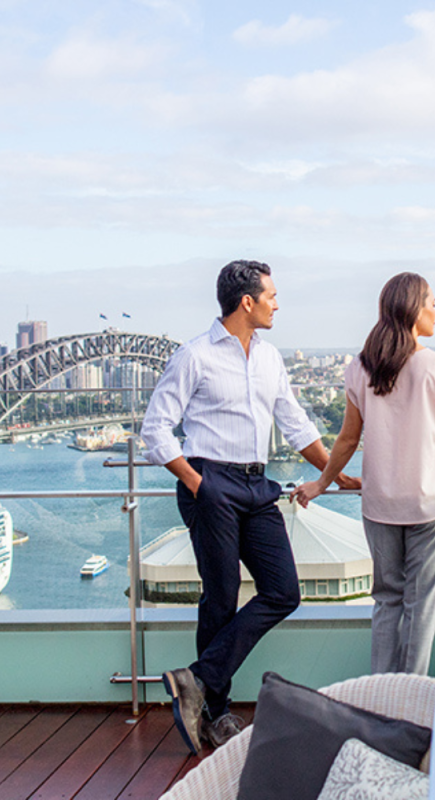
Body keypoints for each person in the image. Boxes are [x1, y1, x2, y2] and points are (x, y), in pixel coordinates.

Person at [141, 260, 359, 753]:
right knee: (219, 599)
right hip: (210, 482)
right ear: (247, 301)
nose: (277, 303)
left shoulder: (270, 357)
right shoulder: (194, 356)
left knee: (283, 591)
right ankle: (216, 715)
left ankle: (196, 679)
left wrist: (334, 475)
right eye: (272, 295)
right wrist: (199, 484)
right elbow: (155, 431)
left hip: (258, 487)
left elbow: (296, 423)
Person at [291, 272, 435, 675]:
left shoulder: (360, 368)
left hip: (379, 504)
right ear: (414, 309)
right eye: (432, 303)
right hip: (427, 504)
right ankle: (408, 693)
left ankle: (381, 690)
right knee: (421, 604)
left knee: (386, 600)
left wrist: (322, 483)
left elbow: (347, 439)